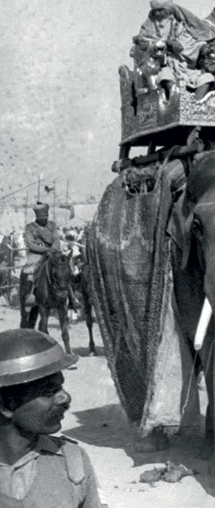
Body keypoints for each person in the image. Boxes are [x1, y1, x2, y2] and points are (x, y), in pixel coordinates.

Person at [0, 329, 103, 507]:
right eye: (48, 391)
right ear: (6, 406)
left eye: (60, 387)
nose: (65, 398)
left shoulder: (72, 462)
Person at [130, 0, 215, 98]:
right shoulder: (148, 26)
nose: (157, 14)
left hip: (185, 67)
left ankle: (194, 106)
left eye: (161, 10)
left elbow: (191, 43)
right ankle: (175, 106)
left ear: (169, 9)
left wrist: (202, 47)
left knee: (207, 79)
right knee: (166, 78)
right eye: (155, 11)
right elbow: (143, 44)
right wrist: (165, 44)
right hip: (162, 66)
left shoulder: (179, 25)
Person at [22, 203, 61, 308]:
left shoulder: (52, 225)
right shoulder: (30, 227)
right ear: (37, 216)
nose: (45, 218)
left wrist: (53, 248)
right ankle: (30, 295)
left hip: (52, 252)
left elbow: (56, 239)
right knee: (31, 271)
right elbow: (30, 244)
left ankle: (71, 297)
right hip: (36, 254)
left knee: (65, 267)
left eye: (46, 215)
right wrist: (46, 250)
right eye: (43, 216)